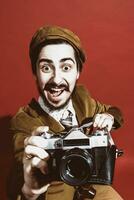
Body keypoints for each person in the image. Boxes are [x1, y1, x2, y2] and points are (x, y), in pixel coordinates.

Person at [8, 25, 124, 200]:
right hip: (54, 192)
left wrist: (108, 117)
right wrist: (29, 191)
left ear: (78, 72)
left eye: (66, 67)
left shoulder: (82, 99)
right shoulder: (25, 120)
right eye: (46, 68)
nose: (56, 79)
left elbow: (115, 112)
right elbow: (18, 172)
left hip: (93, 183)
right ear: (35, 73)